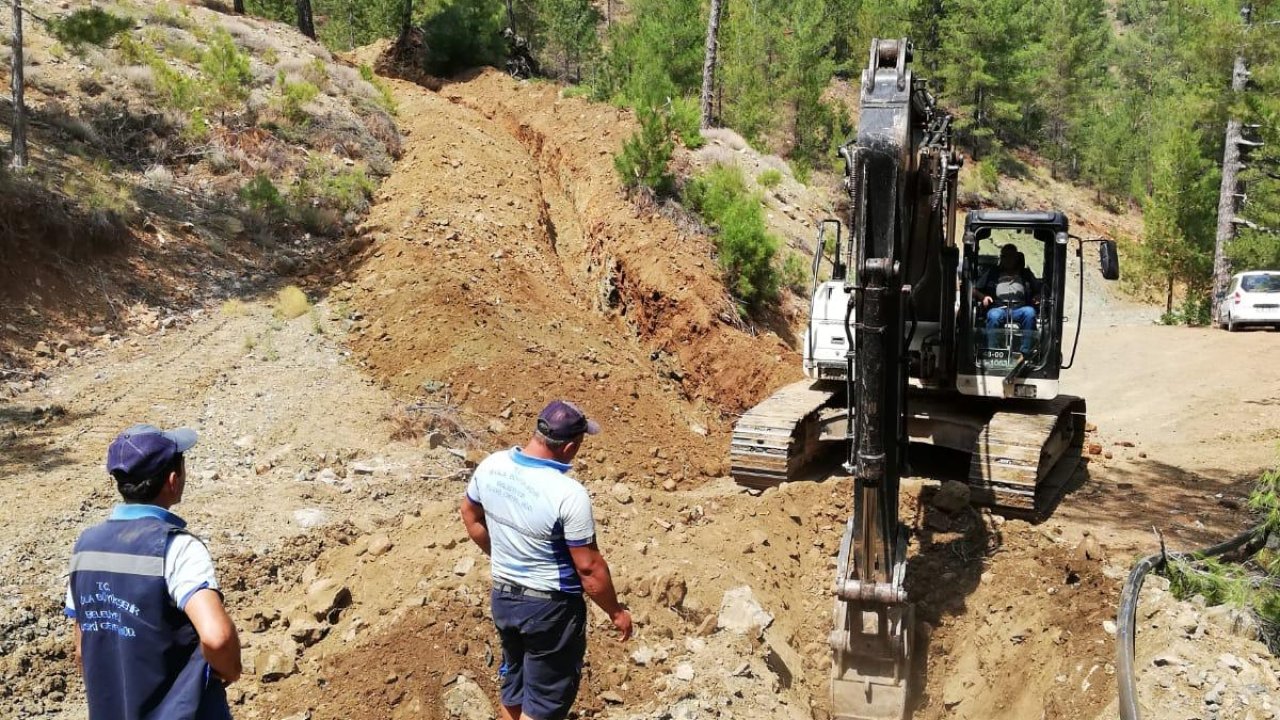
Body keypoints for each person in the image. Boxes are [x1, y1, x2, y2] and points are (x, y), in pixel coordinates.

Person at [461, 400, 632, 720]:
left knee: (515, 684)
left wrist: (502, 556)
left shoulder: (492, 465)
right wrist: (616, 611)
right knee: (544, 704)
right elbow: (589, 568)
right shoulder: (568, 494)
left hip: (503, 598)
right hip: (549, 611)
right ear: (569, 446)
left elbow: (469, 515)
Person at [66, 424, 241, 720]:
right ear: (173, 480)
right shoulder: (177, 548)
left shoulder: (85, 548)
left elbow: (84, 647)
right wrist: (231, 669)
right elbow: (217, 638)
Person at [974, 243, 1040, 357]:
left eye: (1011, 256)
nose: (1008, 259)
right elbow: (974, 290)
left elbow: (1041, 290)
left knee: (1030, 312)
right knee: (993, 315)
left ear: (1016, 257)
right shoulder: (993, 272)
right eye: (1004, 256)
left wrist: (1037, 296)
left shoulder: (1025, 274)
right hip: (999, 307)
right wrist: (983, 297)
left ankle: (1025, 353)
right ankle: (995, 352)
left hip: (1020, 308)